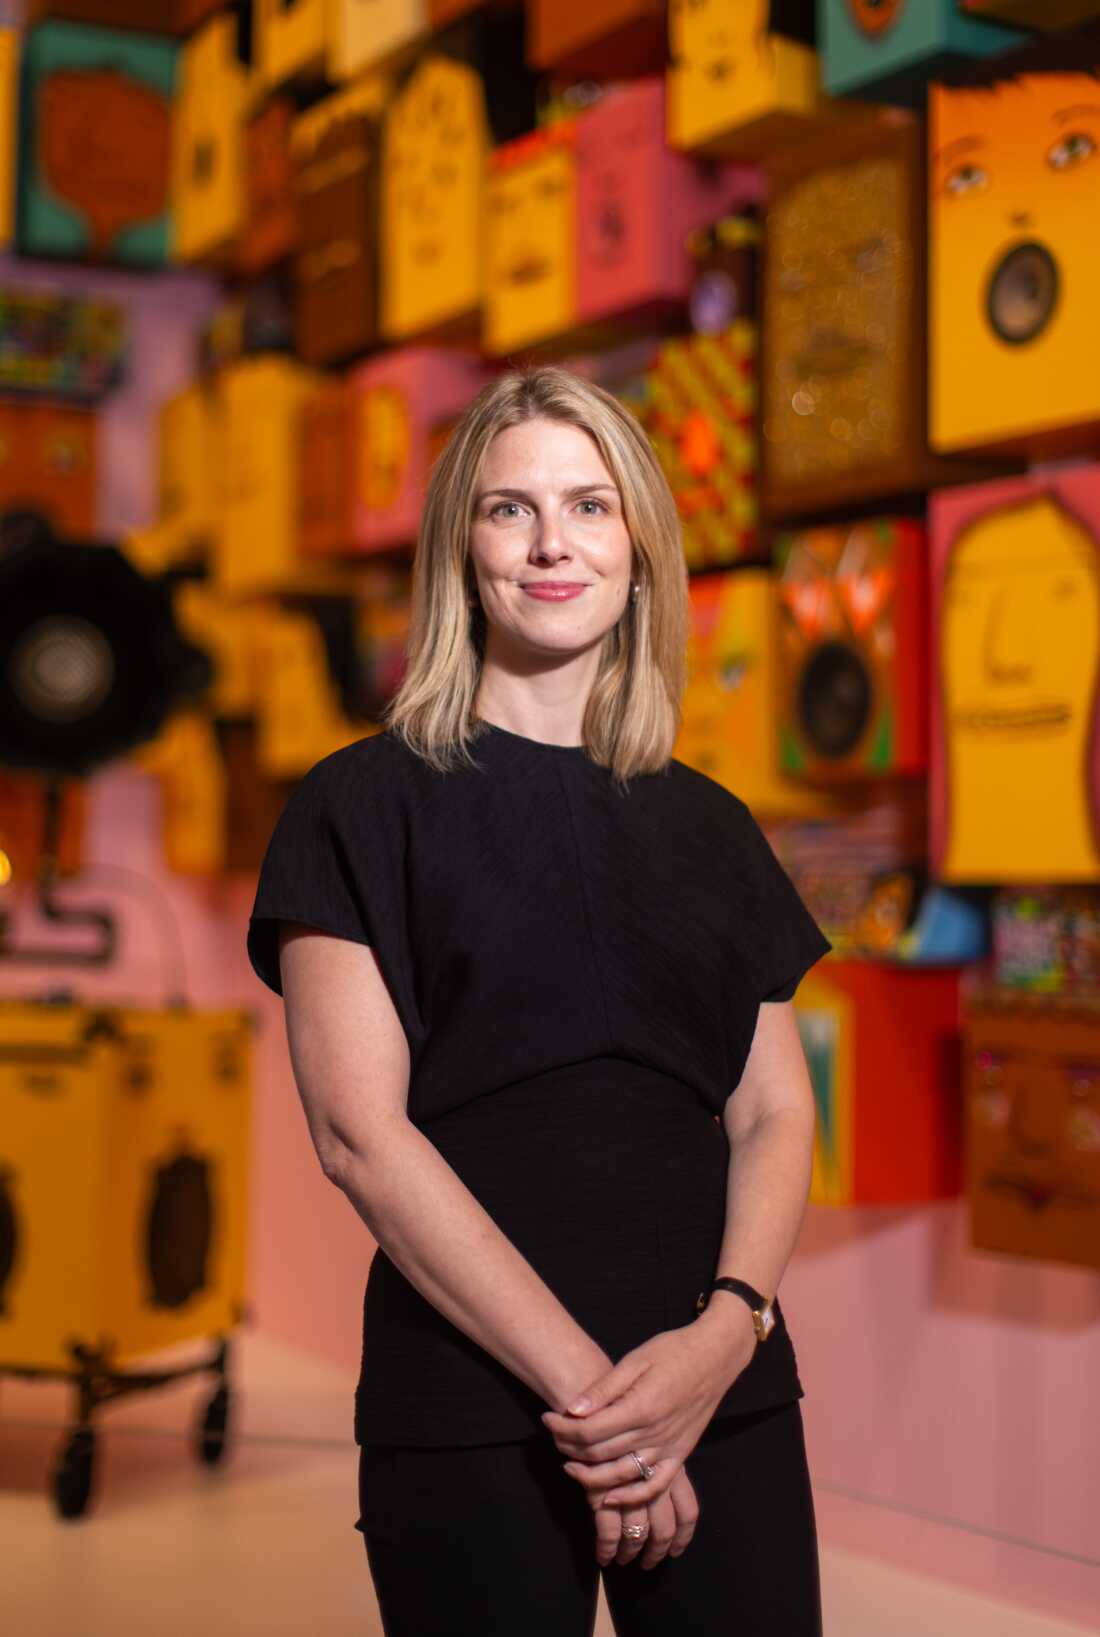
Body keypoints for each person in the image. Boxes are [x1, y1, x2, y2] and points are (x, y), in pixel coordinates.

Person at [247, 367, 832, 1635]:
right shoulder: (358, 805)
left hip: (716, 1384)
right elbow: (361, 1134)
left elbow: (774, 1114)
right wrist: (603, 1406)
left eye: (589, 505)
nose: (553, 542)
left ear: (639, 547)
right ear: (462, 546)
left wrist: (720, 1339)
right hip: (474, 1395)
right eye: (510, 510)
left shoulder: (714, 826)